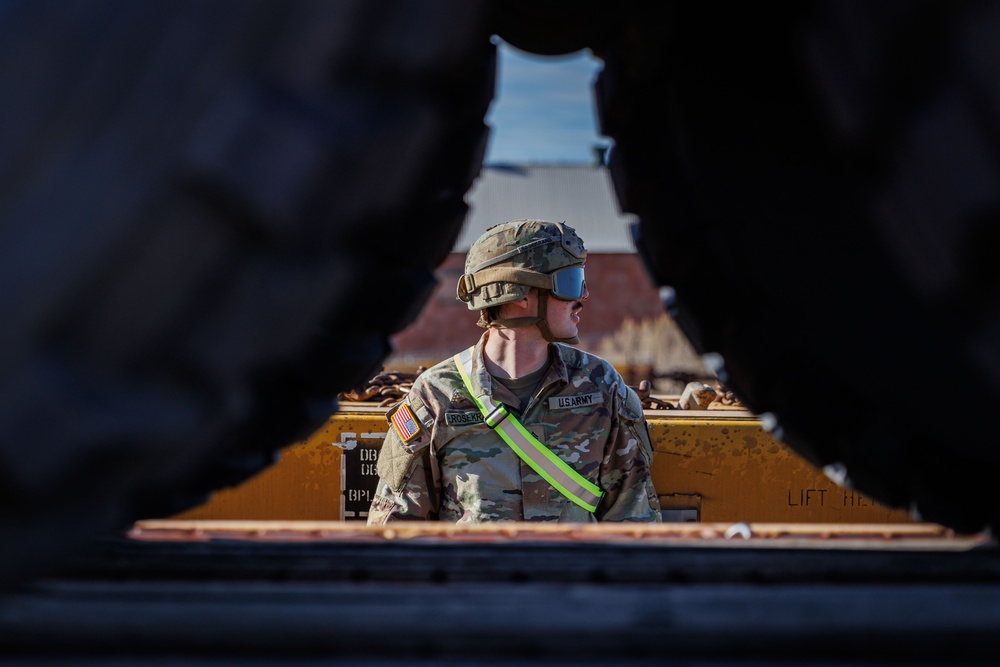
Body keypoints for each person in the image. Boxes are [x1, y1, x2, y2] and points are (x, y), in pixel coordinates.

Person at [367, 219, 661, 523]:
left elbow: (634, 521)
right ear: (520, 293)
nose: (583, 297)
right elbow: (395, 531)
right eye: (571, 282)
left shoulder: (600, 386)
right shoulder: (435, 395)